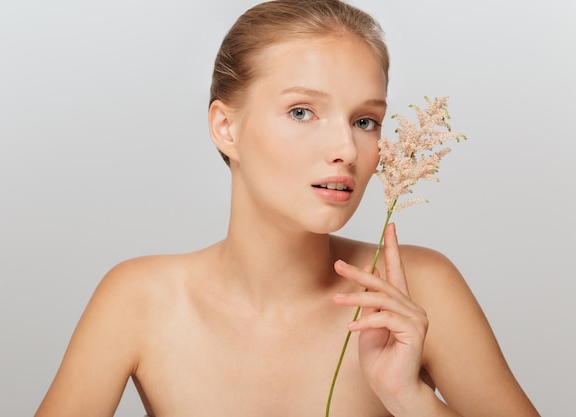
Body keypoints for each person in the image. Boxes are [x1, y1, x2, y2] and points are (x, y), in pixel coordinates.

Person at [34, 1, 540, 416]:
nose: (346, 147)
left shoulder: (417, 288)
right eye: (303, 112)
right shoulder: (140, 301)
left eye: (365, 121)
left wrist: (411, 400)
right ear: (225, 128)